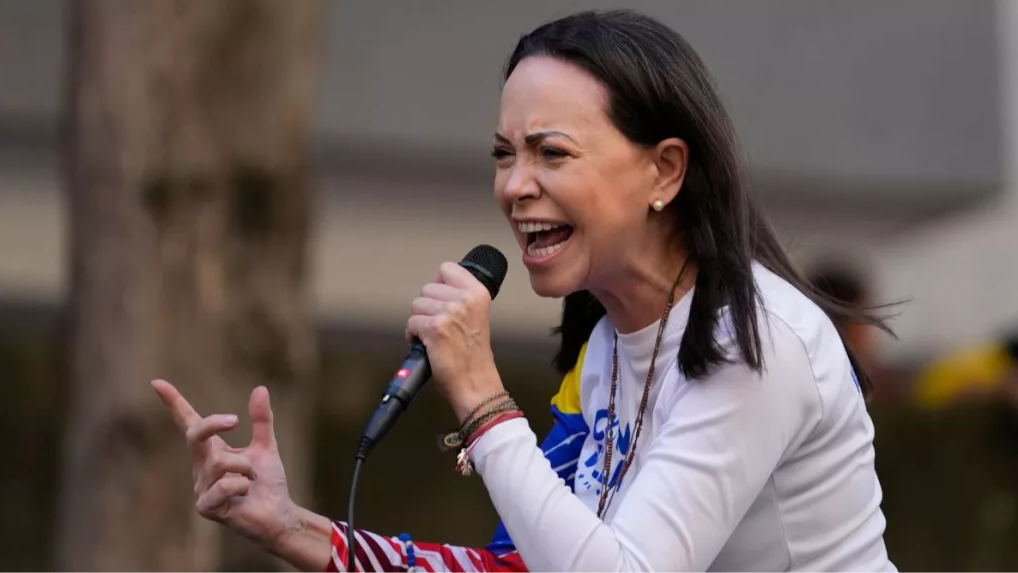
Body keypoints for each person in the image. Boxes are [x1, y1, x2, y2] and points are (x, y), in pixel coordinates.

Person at [153, 10, 896, 572]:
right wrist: (293, 526)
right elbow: (520, 567)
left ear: (665, 171)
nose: (514, 186)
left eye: (552, 153)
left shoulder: (753, 338)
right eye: (505, 155)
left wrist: (482, 397)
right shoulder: (605, 344)